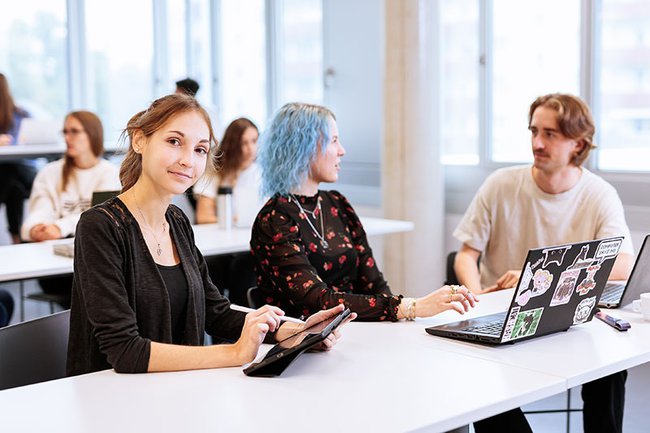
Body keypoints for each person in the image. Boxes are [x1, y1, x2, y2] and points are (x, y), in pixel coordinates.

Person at [66, 93, 354, 376]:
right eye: (174, 142)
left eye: (200, 149)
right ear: (140, 140)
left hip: (180, 392)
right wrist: (234, 353)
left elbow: (215, 312)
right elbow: (126, 351)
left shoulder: (176, 222)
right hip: (112, 405)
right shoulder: (100, 226)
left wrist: (296, 332)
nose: (188, 160)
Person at [453, 93, 634, 433]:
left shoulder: (599, 194)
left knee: (610, 371)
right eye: (534, 131)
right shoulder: (501, 184)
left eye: (550, 134)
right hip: (503, 317)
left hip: (567, 322)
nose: (537, 142)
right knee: (483, 383)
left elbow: (623, 262)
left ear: (578, 144)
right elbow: (466, 254)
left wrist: (542, 279)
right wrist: (475, 298)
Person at [250, 102, 478, 321]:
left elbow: (374, 284)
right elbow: (317, 301)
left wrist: (403, 319)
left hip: (354, 332)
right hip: (306, 344)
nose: (342, 151)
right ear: (304, 147)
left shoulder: (338, 204)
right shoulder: (274, 219)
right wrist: (412, 307)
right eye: (334, 141)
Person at [20, 111, 120, 308]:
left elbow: (99, 218)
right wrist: (37, 228)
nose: (67, 138)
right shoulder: (50, 172)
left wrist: (59, 227)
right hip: (55, 267)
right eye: (65, 132)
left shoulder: (110, 174)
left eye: (74, 131)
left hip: (94, 262)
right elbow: (40, 210)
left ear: (92, 134)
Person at [194, 117, 263, 306]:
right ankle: (223, 326)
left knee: (245, 266)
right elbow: (203, 216)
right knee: (216, 269)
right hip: (221, 249)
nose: (251, 149)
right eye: (244, 143)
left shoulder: (262, 174)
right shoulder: (216, 173)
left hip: (247, 246)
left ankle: (242, 326)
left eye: (255, 141)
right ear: (233, 144)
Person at [0, 72, 37, 244]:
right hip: (9, 180)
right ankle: (17, 239)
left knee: (10, 170)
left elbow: (30, 139)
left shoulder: (21, 115)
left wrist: (11, 142)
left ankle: (16, 237)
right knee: (14, 189)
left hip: (25, 170)